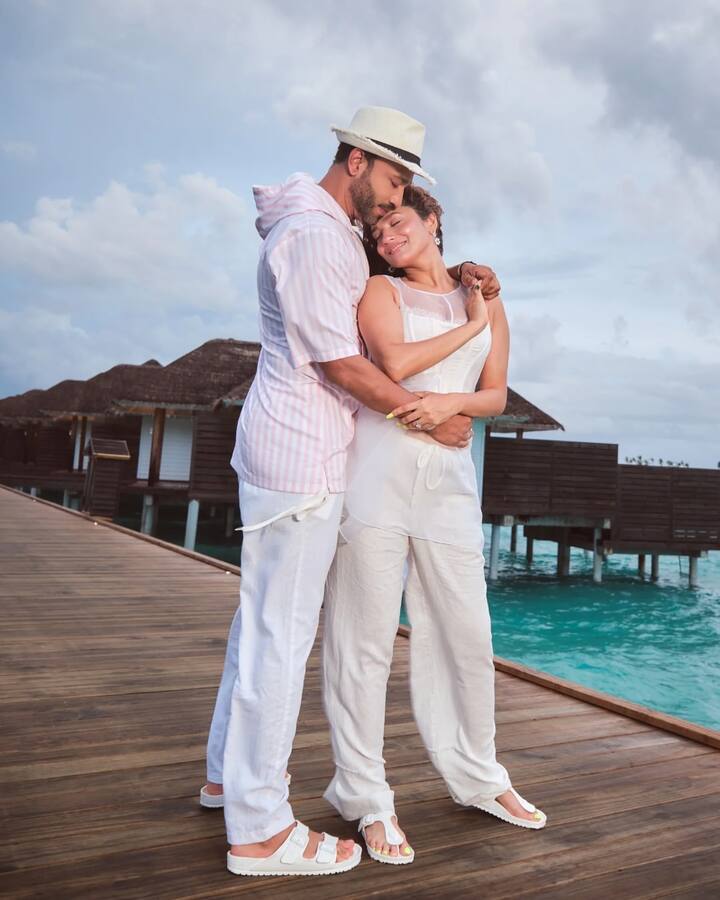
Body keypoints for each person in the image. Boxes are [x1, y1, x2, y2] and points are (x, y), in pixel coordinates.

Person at [198, 106, 502, 877]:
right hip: (298, 457)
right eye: (394, 177)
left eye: (409, 191)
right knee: (281, 638)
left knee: (258, 626)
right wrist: (432, 423)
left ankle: (224, 778)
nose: (392, 199)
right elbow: (342, 364)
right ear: (359, 160)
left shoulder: (327, 231)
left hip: (302, 453)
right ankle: (260, 829)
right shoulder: (310, 234)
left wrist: (465, 280)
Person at [322, 185, 546, 866]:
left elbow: (496, 394)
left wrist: (452, 400)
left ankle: (479, 776)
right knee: (363, 643)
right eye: (380, 228)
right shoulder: (381, 292)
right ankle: (365, 797)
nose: (389, 235)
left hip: (449, 487)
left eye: (400, 222)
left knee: (466, 636)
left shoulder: (486, 291)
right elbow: (393, 364)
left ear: (434, 221)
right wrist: (473, 326)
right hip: (379, 478)